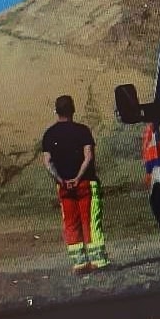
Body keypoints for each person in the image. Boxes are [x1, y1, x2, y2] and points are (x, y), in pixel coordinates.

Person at [41, 94, 109, 274]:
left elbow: (48, 162)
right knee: (91, 222)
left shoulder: (49, 134)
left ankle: (79, 263)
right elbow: (88, 156)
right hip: (85, 183)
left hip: (64, 187)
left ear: (56, 111)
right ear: (73, 109)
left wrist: (61, 180)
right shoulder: (82, 131)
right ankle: (98, 262)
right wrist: (78, 177)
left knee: (71, 223)